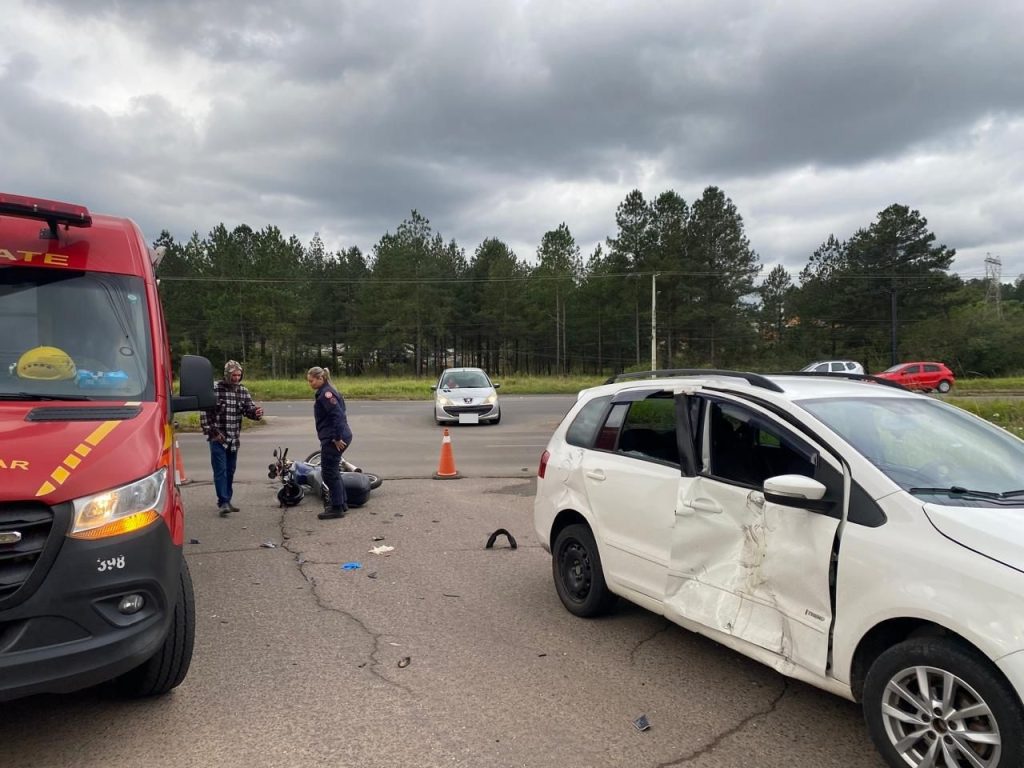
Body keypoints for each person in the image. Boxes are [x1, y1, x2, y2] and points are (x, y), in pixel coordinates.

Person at [200, 360, 263, 516]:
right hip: (218, 438)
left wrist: (256, 413)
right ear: (227, 375)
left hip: (234, 438)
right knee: (220, 471)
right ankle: (223, 502)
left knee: (230, 470)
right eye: (233, 375)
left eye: (238, 375)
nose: (236, 378)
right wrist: (213, 433)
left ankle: (227, 500)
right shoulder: (214, 389)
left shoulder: (242, 391)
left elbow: (248, 409)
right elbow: (204, 413)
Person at [307, 366, 353, 520]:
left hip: (335, 438)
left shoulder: (326, 394)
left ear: (321, 378)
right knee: (333, 471)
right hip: (335, 436)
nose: (310, 384)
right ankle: (342, 503)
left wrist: (337, 438)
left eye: (312, 381)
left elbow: (337, 416)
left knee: (328, 473)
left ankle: (336, 507)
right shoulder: (327, 391)